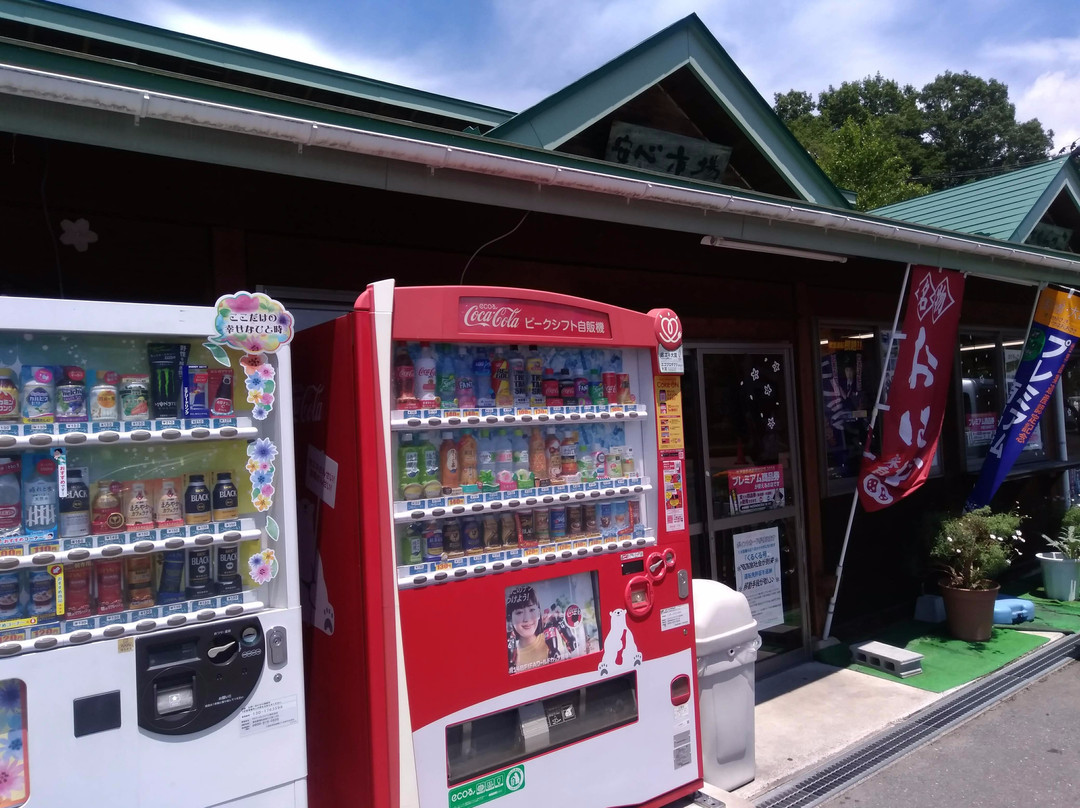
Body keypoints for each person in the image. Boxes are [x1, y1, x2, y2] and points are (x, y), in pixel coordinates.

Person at [506, 585, 555, 673]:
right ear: (510, 617)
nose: (527, 619)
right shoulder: (509, 654)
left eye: (532, 610)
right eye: (519, 612)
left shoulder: (553, 638)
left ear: (539, 612)